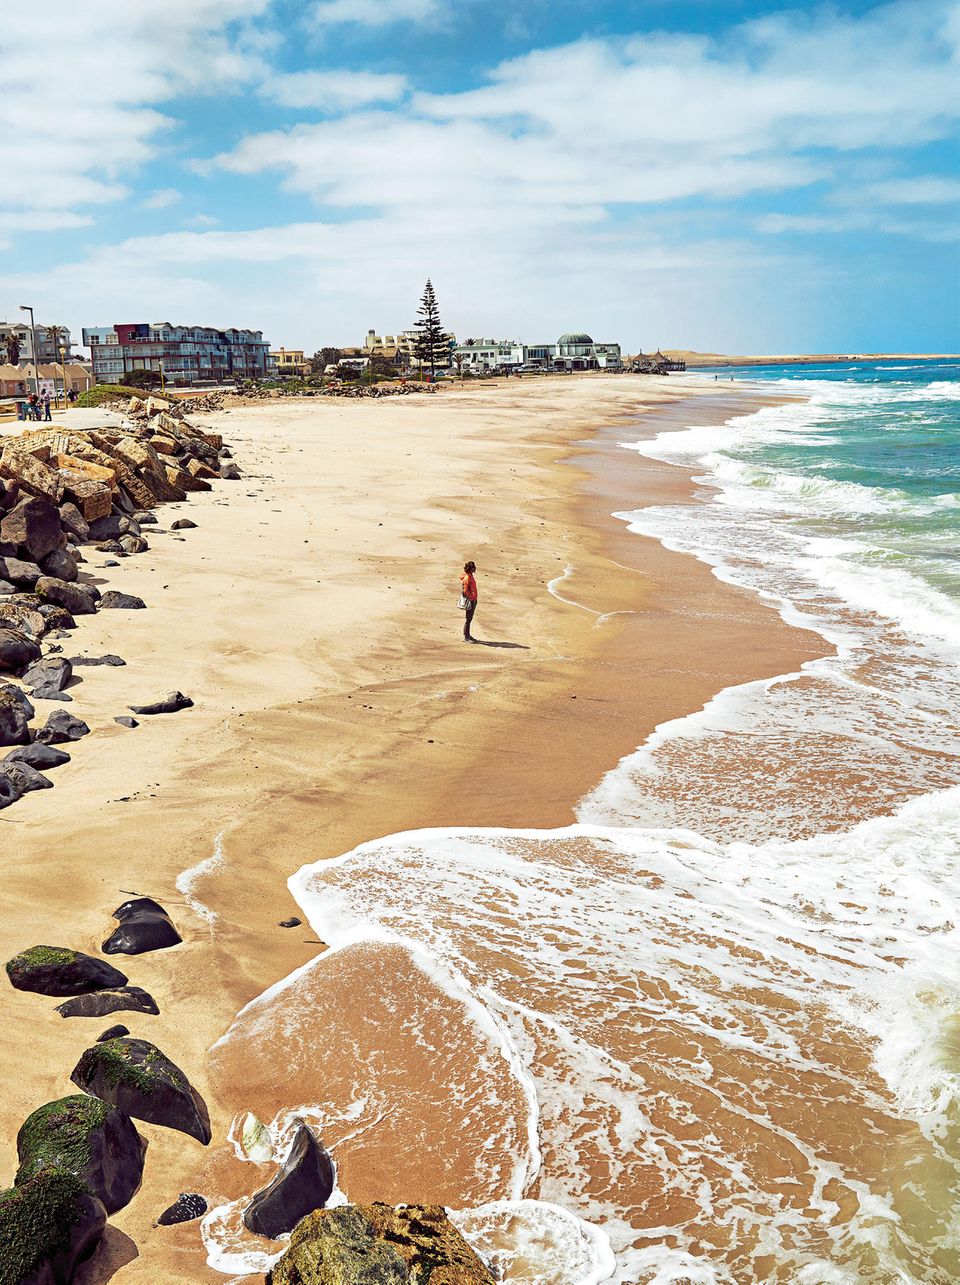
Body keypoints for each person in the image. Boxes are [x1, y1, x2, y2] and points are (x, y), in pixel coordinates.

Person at [460, 560, 478, 642]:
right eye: (473, 567)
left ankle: (467, 635)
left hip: (473, 599)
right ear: (471, 569)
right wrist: (471, 598)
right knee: (468, 619)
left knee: (469, 619)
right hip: (471, 600)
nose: (475, 569)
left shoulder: (469, 576)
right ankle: (466, 637)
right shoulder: (468, 578)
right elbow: (466, 591)